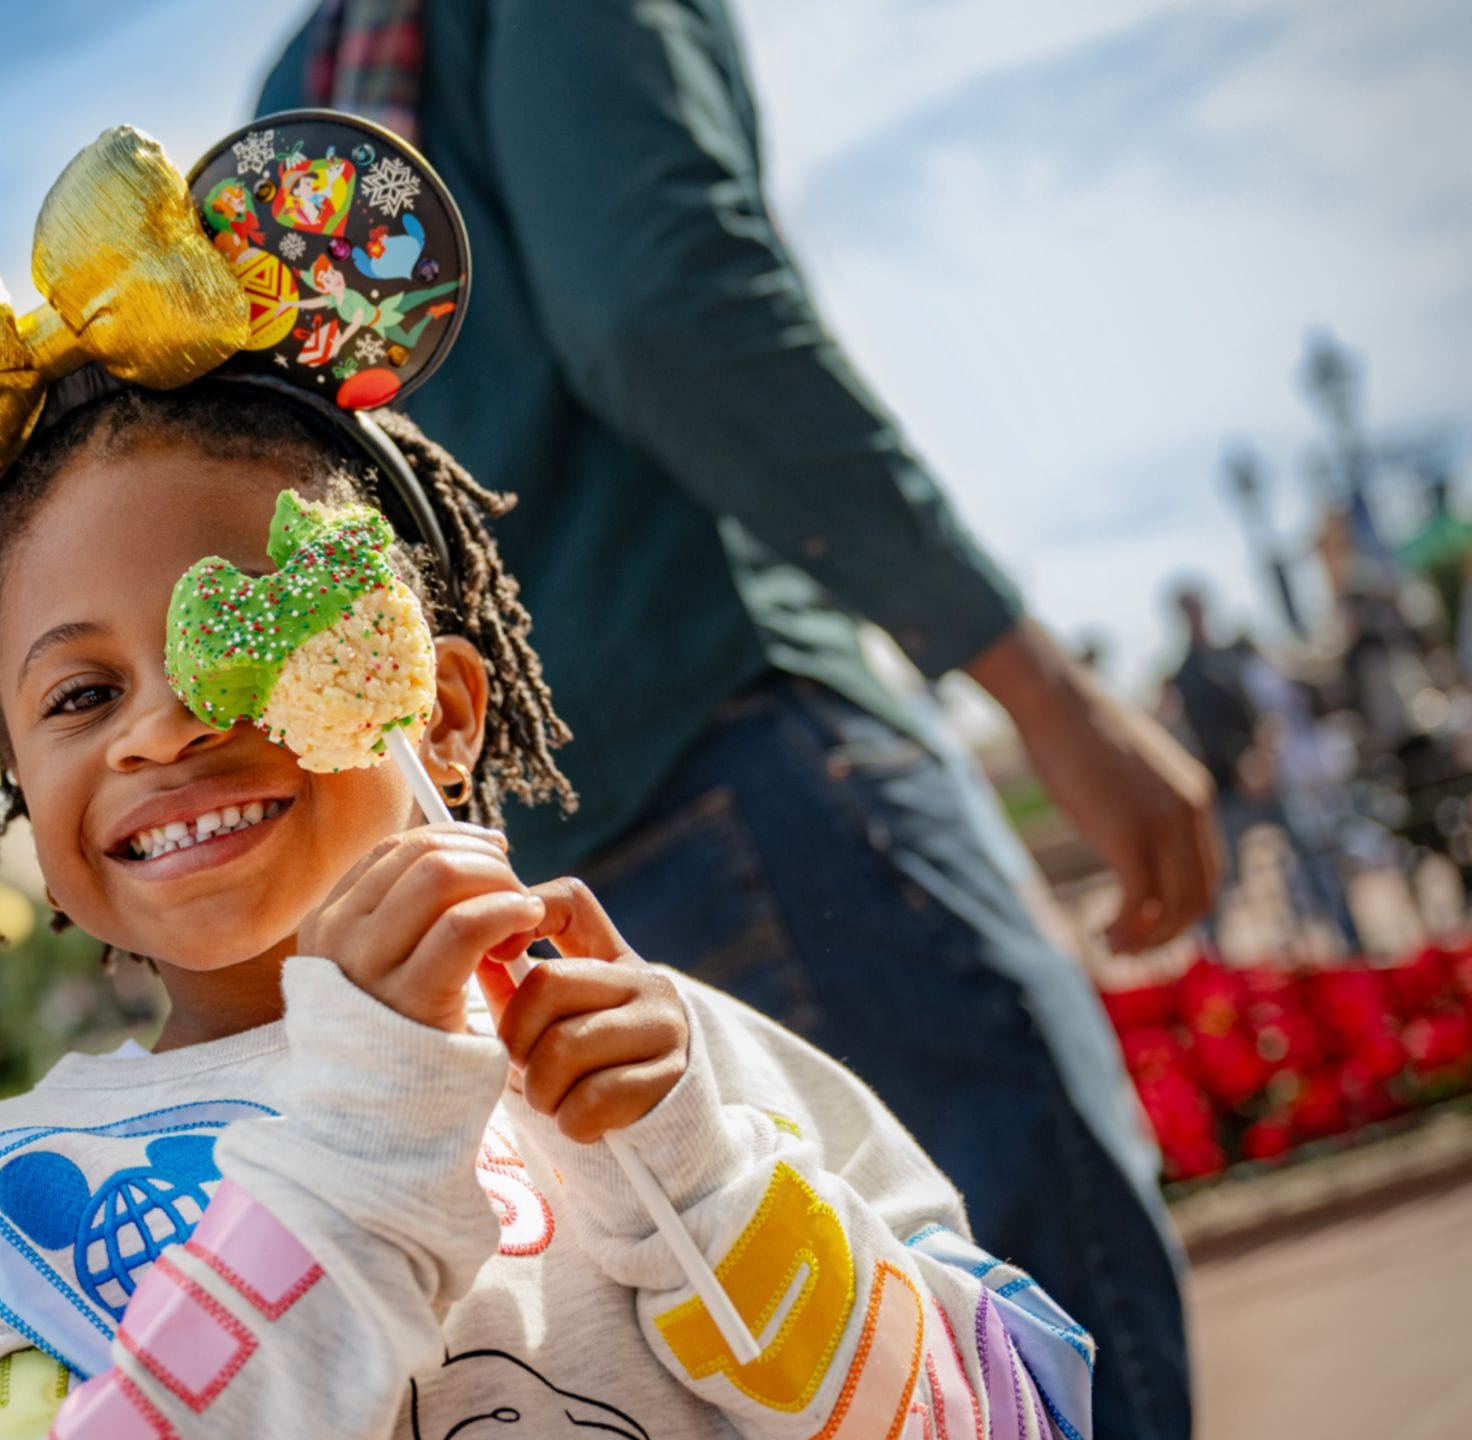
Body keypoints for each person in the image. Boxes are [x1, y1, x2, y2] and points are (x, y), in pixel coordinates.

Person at [260, 5, 1207, 1437]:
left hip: (522, 864)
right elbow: (663, 305)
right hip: (749, 745)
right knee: (1032, 1354)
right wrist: (1043, 689)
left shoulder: (306, 89)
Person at [0, 377, 1096, 1439]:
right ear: (16, 782)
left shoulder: (679, 1066)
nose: (164, 724)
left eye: (239, 631)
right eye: (78, 695)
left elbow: (987, 1420)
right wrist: (354, 1150)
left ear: (435, 712)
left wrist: (708, 1184)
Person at [1169, 585, 1363, 953]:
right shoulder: (1185, 674)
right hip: (1227, 788)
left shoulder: (1234, 657)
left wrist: (1262, 757)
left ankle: (1350, 942)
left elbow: (1263, 711)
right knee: (1221, 879)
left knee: (1313, 856)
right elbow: (1204, 734)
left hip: (1268, 778)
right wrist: (1241, 765)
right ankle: (1215, 964)